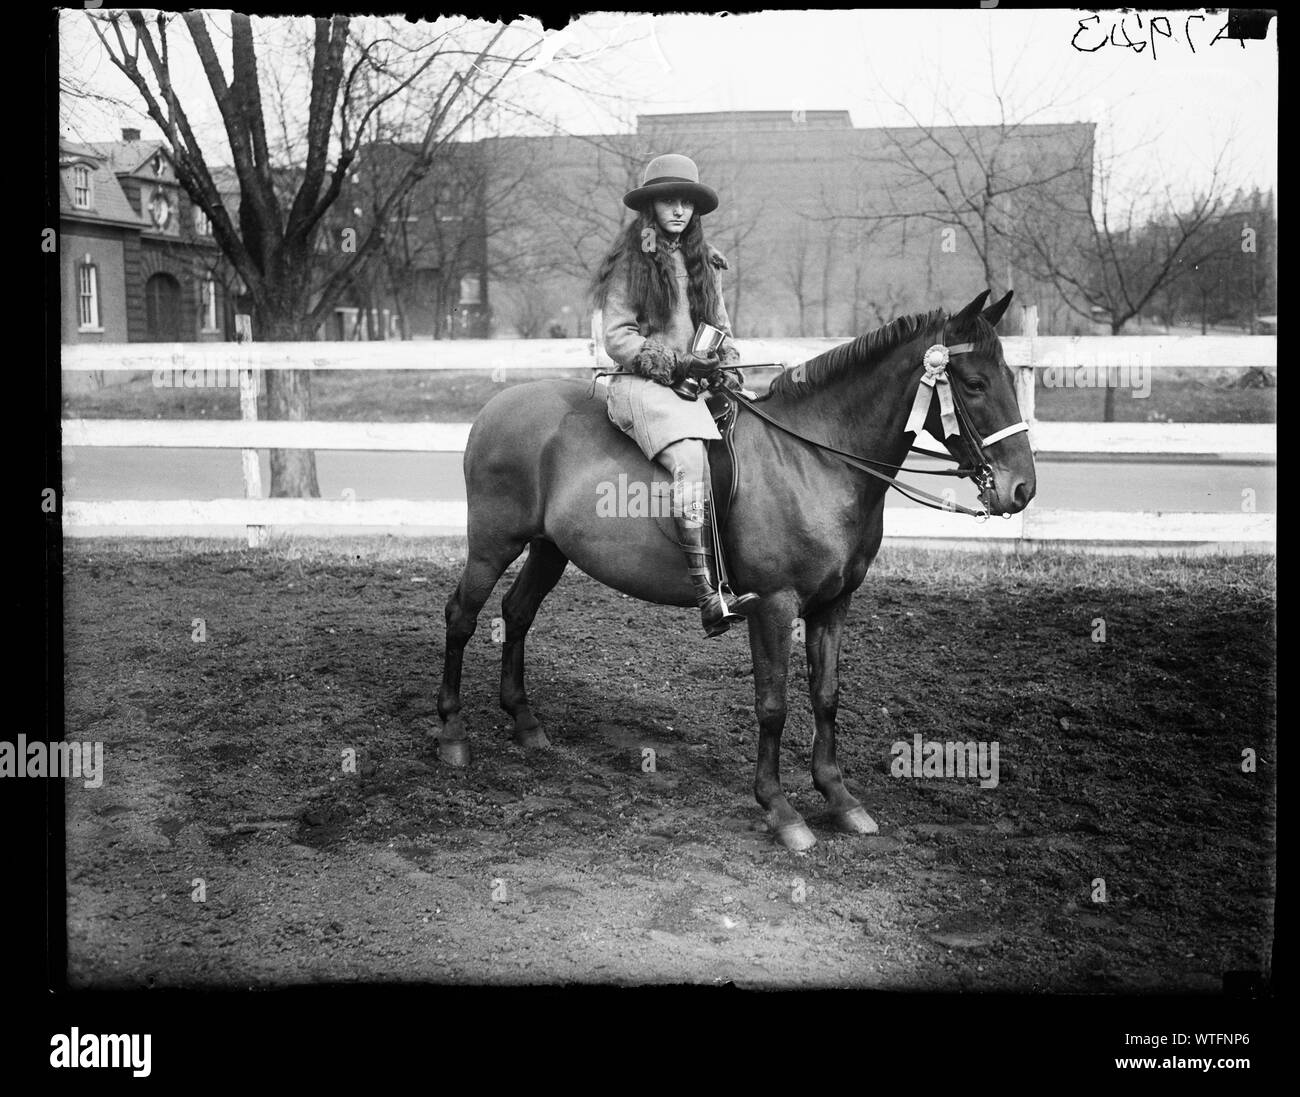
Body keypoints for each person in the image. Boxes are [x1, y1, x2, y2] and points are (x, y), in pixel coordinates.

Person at [590, 153, 759, 637]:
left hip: (697, 387)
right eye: (670, 201)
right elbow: (618, 338)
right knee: (690, 459)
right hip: (643, 384)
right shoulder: (631, 263)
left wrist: (723, 367)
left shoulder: (707, 263)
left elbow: (721, 330)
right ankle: (708, 594)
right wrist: (675, 361)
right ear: (651, 208)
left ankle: (744, 565)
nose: (680, 210)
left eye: (688, 202)